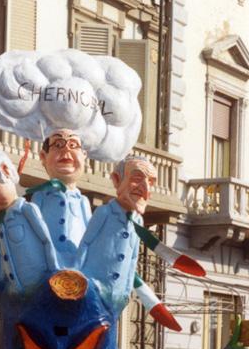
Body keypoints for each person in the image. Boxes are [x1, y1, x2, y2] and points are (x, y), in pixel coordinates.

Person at [76, 155, 155, 302]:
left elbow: (133, 259)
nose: (145, 187)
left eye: (150, 182)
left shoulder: (138, 221)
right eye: (137, 178)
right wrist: (76, 278)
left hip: (116, 296)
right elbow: (85, 244)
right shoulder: (104, 212)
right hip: (92, 290)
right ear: (117, 180)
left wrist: (125, 292)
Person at [27, 129, 92, 267]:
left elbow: (90, 236)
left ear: (84, 156)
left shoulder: (83, 202)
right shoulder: (40, 197)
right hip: (47, 264)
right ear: (43, 157)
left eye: (73, 145)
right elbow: (34, 230)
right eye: (57, 145)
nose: (66, 150)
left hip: (77, 268)